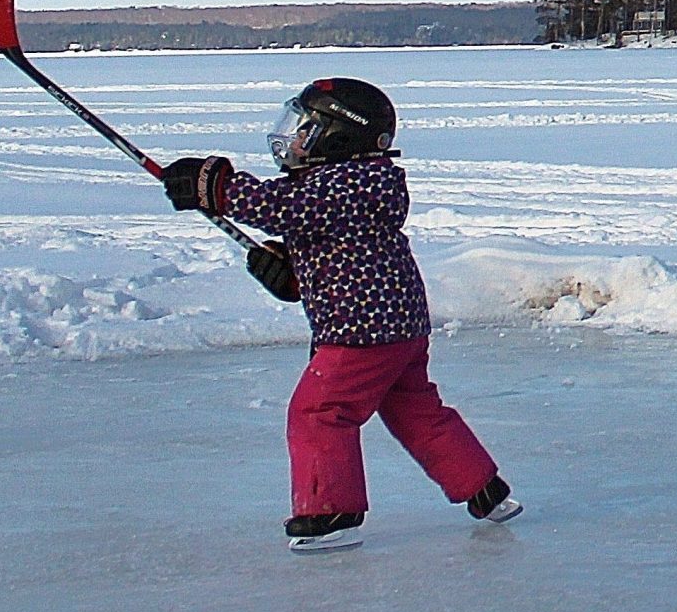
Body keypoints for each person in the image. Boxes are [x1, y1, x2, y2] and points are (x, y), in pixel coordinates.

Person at [163, 77, 520, 553]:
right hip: (397, 328)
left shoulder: (346, 183)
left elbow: (279, 207)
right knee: (415, 410)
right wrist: (292, 276)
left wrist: (215, 186)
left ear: (338, 137)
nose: (292, 140)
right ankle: (484, 489)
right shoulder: (358, 186)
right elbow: (333, 247)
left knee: (319, 411)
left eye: (305, 130)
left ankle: (331, 512)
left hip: (361, 334)